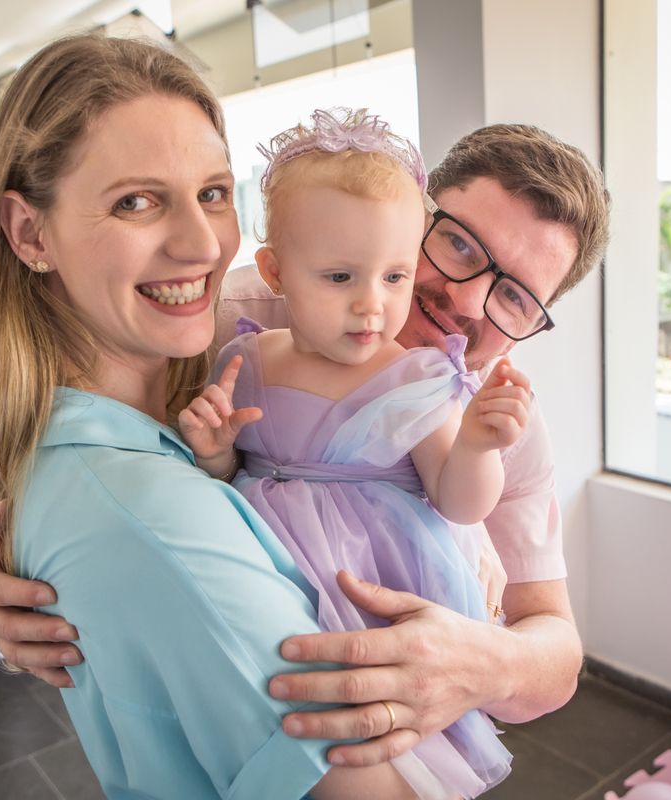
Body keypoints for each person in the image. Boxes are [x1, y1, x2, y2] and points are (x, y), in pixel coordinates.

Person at [0, 119, 611, 768]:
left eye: (516, 298)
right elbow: (85, 441)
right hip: (233, 682)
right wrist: (17, 553)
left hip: (385, 720)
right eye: (462, 248)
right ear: (414, 218)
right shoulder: (228, 319)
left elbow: (556, 656)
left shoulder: (501, 421)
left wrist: (481, 664)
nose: (468, 302)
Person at [0, 34, 428, 799]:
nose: (203, 243)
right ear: (31, 233)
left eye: (212, 192)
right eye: (134, 201)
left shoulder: (176, 405)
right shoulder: (156, 514)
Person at [179, 108, 532, 799]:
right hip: (268, 577)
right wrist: (215, 453)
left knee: (376, 744)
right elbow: (231, 473)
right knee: (273, 726)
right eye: (340, 278)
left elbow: (458, 501)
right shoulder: (244, 357)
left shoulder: (414, 380)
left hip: (375, 584)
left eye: (395, 278)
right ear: (276, 271)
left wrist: (478, 445)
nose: (372, 306)